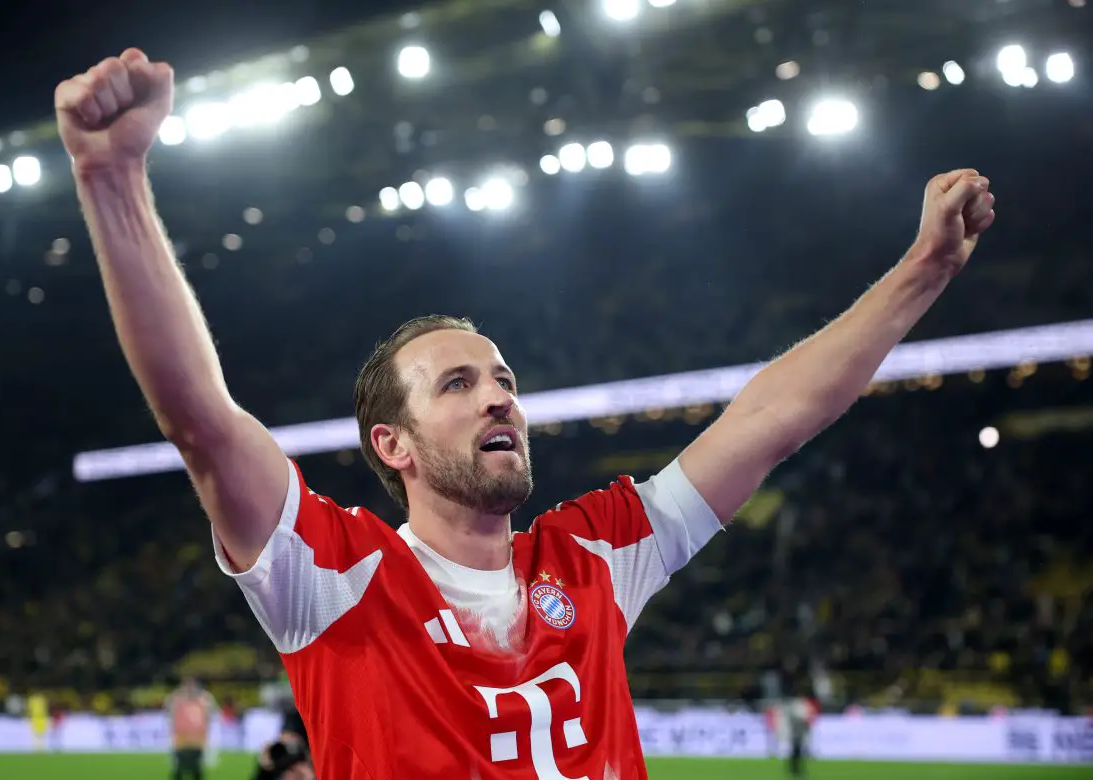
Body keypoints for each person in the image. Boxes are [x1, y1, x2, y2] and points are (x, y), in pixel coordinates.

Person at [55, 48, 996, 779]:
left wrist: (924, 271)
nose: (499, 394)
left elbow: (770, 419)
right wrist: (113, 179)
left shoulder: (595, 556)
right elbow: (202, 421)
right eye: (457, 384)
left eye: (503, 378)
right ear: (393, 444)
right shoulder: (333, 578)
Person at [164, 678, 217, 780]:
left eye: (191, 686)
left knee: (196, 766)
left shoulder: (204, 698)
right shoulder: (176, 698)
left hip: (198, 736)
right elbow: (168, 710)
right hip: (181, 736)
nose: (189, 689)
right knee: (179, 766)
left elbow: (210, 712)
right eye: (186, 686)